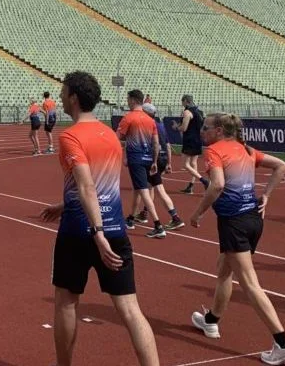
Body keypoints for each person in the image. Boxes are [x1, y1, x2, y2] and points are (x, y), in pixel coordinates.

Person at [40, 71, 159, 366]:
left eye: (63, 92)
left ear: (74, 98)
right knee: (130, 309)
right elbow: (102, 187)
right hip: (115, 229)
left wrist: (97, 232)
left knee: (66, 302)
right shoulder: (110, 136)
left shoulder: (70, 136)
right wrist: (65, 205)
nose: (60, 97)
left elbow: (86, 186)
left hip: (81, 233)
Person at [188, 113, 285, 365]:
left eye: (206, 127)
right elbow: (281, 165)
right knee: (224, 270)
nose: (202, 131)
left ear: (218, 130)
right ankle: (211, 321)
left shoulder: (214, 150)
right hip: (253, 220)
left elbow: (217, 184)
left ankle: (284, 344)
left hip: (234, 223)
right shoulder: (246, 149)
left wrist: (198, 213)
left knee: (250, 283)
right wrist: (266, 195)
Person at [117, 90, 166, 239]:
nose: (127, 102)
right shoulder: (150, 120)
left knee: (143, 190)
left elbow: (117, 137)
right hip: (148, 158)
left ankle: (158, 225)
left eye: (128, 99)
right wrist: (154, 161)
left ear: (133, 100)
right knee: (137, 189)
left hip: (136, 159)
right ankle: (131, 219)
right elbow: (156, 143)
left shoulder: (129, 117)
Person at [135, 104, 183, 230]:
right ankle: (144, 213)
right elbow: (167, 145)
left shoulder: (147, 125)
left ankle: (175, 217)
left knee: (159, 189)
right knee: (149, 186)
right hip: (162, 159)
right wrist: (169, 163)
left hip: (153, 160)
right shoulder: (161, 125)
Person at [175, 95, 208, 194]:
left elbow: (184, 128)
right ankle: (191, 186)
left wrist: (176, 128)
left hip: (190, 140)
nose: (182, 103)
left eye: (182, 101)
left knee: (185, 164)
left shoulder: (187, 112)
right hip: (198, 139)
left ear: (185, 101)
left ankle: (204, 181)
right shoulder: (199, 112)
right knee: (193, 163)